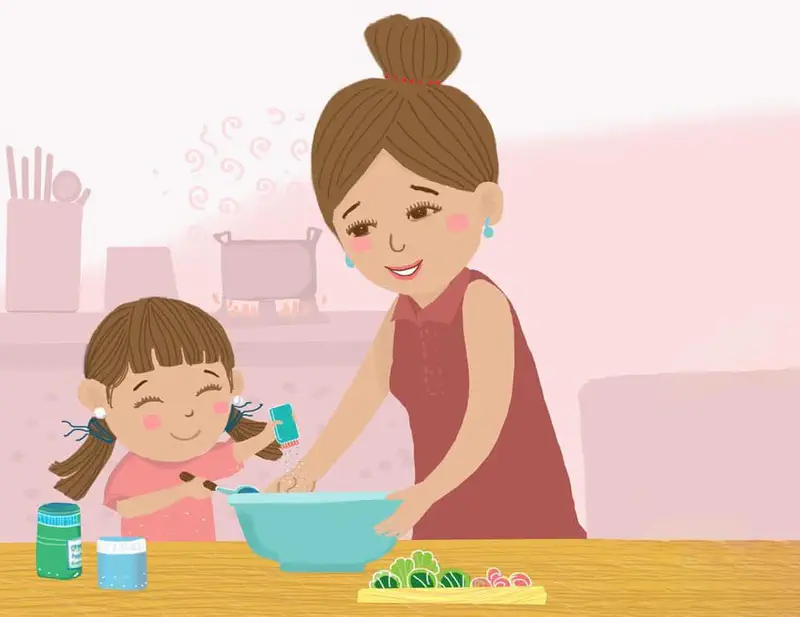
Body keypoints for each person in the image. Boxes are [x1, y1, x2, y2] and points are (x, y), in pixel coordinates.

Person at [267, 14, 586, 540]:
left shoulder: (480, 303)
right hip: (440, 513)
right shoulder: (403, 313)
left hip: (521, 518)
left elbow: (485, 423)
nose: (395, 243)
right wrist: (307, 472)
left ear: (487, 203)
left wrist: (423, 495)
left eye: (420, 212)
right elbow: (365, 392)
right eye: (363, 225)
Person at [49, 297, 283, 541]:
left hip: (199, 559)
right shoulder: (133, 471)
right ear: (98, 399)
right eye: (150, 401)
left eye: (206, 391)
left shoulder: (200, 460)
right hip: (145, 560)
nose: (186, 412)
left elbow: (237, 452)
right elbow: (128, 508)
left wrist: (271, 432)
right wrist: (182, 492)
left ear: (233, 384)